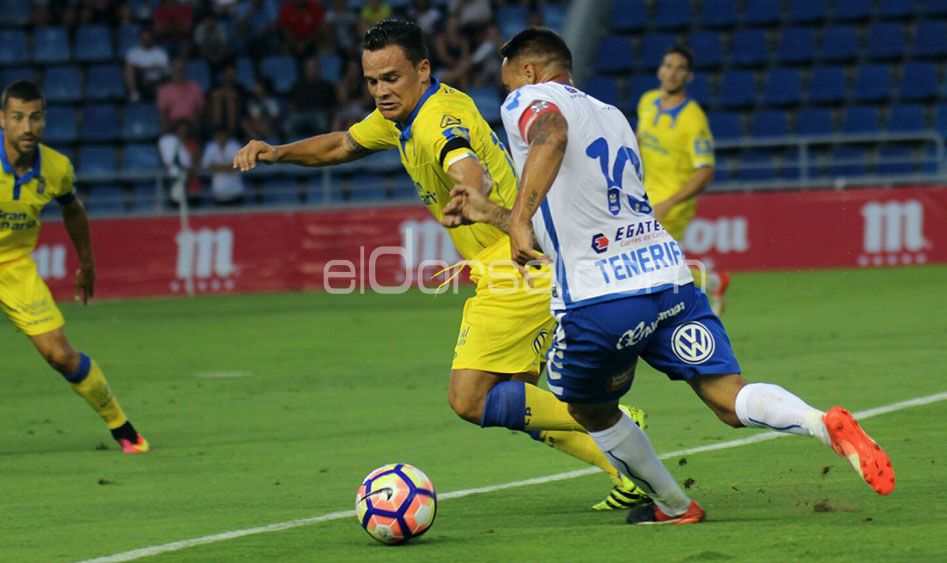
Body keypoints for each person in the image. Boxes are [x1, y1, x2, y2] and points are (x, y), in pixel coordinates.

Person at [445, 28, 895, 526]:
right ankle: (821, 423)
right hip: (668, 280)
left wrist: (520, 215)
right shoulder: (613, 115)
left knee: (589, 410)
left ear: (529, 71)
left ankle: (677, 506)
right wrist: (493, 213)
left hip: (600, 300)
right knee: (729, 396)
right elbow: (574, 226)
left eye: (508, 78)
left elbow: (551, 133)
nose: (506, 89)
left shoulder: (527, 101)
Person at [234, 19, 651, 511]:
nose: (381, 91)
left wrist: (469, 190)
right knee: (513, 400)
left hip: (513, 263)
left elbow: (463, 161)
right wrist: (277, 152)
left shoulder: (438, 118)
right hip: (524, 260)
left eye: (391, 78)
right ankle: (625, 472)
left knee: (470, 398)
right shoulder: (398, 116)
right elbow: (343, 144)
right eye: (372, 81)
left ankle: (612, 415)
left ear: (422, 69)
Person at [0, 81, 148, 453]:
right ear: (2, 120)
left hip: (14, 267)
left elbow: (73, 211)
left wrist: (87, 263)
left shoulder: (56, 168)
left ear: (44, 120)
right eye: (17, 118)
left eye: (35, 117)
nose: (27, 127)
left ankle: (123, 429)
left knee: (60, 355)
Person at [637, 46, 730, 314]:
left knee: (643, 257)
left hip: (673, 204)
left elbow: (705, 171)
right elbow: (638, 141)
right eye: (668, 65)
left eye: (680, 68)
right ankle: (713, 282)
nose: (672, 73)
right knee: (657, 262)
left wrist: (670, 203)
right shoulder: (647, 101)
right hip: (645, 195)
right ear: (659, 70)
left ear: (689, 77)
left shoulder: (693, 120)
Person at [156, 59, 206, 134]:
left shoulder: (195, 88)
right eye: (177, 70)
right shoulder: (164, 90)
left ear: (186, 70)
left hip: (191, 127)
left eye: (182, 69)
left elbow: (201, 109)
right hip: (172, 128)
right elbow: (162, 113)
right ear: (172, 71)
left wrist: (195, 124)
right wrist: (167, 129)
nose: (180, 72)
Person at [202, 128, 246, 205]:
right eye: (219, 135)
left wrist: (217, 166)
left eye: (223, 135)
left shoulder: (235, 145)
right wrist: (227, 167)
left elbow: (240, 163)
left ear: (227, 136)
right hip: (218, 192)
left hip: (235, 191)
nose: (221, 137)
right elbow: (205, 165)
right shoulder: (211, 147)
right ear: (215, 136)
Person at [124, 28, 170, 102]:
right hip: (140, 83)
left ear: (152, 38)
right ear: (140, 39)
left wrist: (142, 68)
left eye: (148, 38)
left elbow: (165, 70)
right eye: (143, 38)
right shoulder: (132, 53)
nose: (146, 40)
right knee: (130, 69)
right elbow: (131, 69)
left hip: (157, 82)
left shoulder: (160, 53)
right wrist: (151, 67)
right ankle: (134, 93)